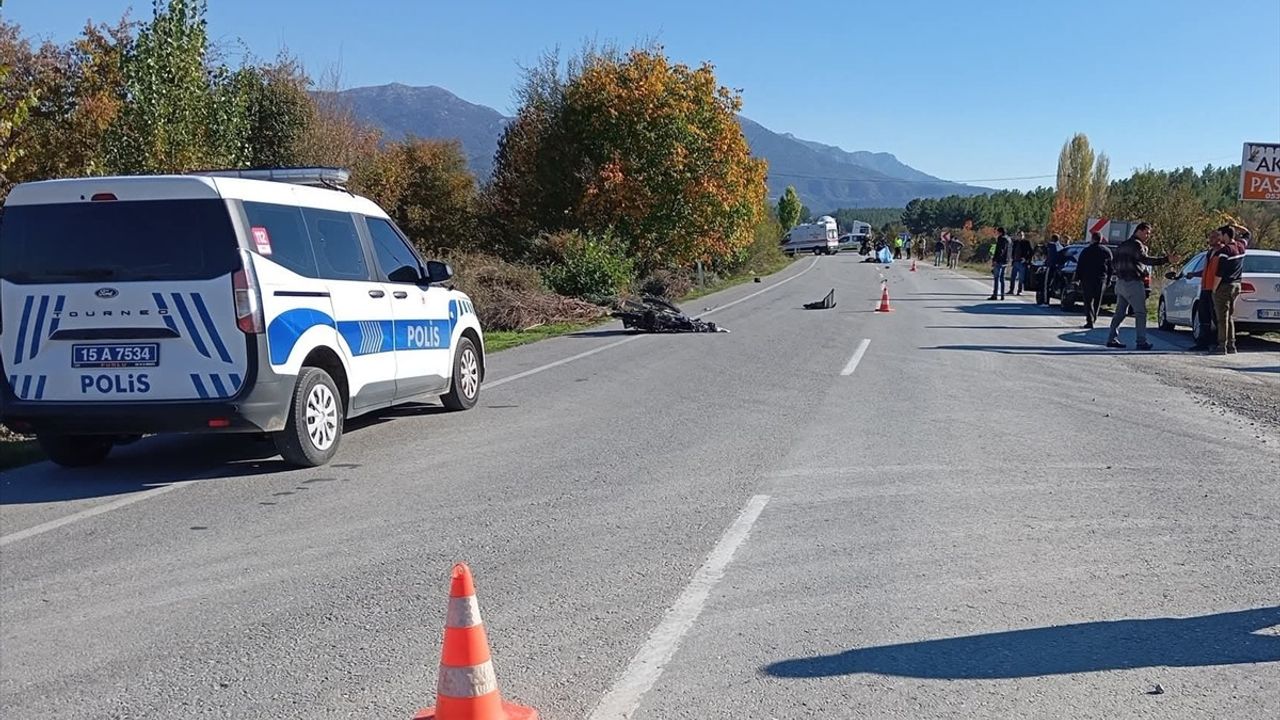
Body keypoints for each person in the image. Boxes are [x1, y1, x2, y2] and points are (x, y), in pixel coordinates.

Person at [1106, 222, 1174, 350]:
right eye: (1147, 233)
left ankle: (1111, 338)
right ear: (1140, 231)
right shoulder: (1137, 245)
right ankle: (1141, 341)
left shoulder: (1123, 244)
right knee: (1141, 313)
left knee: (1119, 313)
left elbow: (1113, 263)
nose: (1148, 236)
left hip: (1121, 283)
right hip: (1133, 282)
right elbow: (1145, 260)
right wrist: (1166, 260)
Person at [1211, 225, 1246, 354]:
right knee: (1229, 316)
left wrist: (1214, 289)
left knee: (1222, 318)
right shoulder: (1241, 246)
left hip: (1224, 286)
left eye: (1220, 235)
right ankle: (1232, 345)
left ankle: (1222, 346)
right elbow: (1247, 233)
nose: (1219, 238)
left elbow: (1219, 273)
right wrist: (1235, 226)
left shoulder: (1225, 251)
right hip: (1236, 285)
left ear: (1226, 235)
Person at [1188, 231, 1220, 352]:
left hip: (1214, 289)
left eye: (1213, 237)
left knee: (1216, 317)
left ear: (1220, 238)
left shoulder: (1222, 253)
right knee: (1203, 317)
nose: (1210, 240)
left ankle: (1218, 342)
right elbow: (1206, 271)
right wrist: (1194, 274)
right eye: (1210, 237)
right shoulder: (1209, 253)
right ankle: (1202, 342)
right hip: (1205, 288)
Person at [1075, 231, 1112, 329]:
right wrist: (1109, 280)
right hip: (1101, 279)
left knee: (1088, 300)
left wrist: (1077, 278)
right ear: (1101, 239)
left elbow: (1080, 265)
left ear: (1092, 239)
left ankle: (1089, 320)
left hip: (1087, 278)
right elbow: (1111, 267)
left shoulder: (1086, 251)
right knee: (1097, 300)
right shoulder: (1106, 251)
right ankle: (1094, 316)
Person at [1037, 234, 1066, 305]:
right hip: (1059, 269)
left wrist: (1046, 264)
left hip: (1050, 268)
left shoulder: (1051, 247)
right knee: (1052, 285)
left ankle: (1046, 302)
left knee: (1046, 284)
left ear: (1052, 239)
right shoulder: (1061, 247)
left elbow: (1049, 258)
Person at [1009, 231, 1034, 295]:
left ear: (1023, 236)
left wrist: (1026, 258)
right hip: (1015, 261)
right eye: (1019, 235)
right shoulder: (1015, 242)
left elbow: (1031, 252)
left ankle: (1019, 291)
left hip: (1022, 262)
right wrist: (1012, 258)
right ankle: (1011, 290)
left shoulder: (1026, 242)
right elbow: (1013, 251)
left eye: (1021, 235)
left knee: (1021, 278)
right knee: (1012, 277)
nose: (1020, 236)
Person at [988, 228, 1010, 300]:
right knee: (1002, 278)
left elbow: (1000, 250)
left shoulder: (1001, 239)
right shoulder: (1008, 239)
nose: (997, 233)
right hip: (1005, 261)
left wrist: (995, 260)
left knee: (996, 278)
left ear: (1000, 232)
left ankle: (995, 294)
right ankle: (1002, 295)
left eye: (998, 232)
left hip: (999, 261)